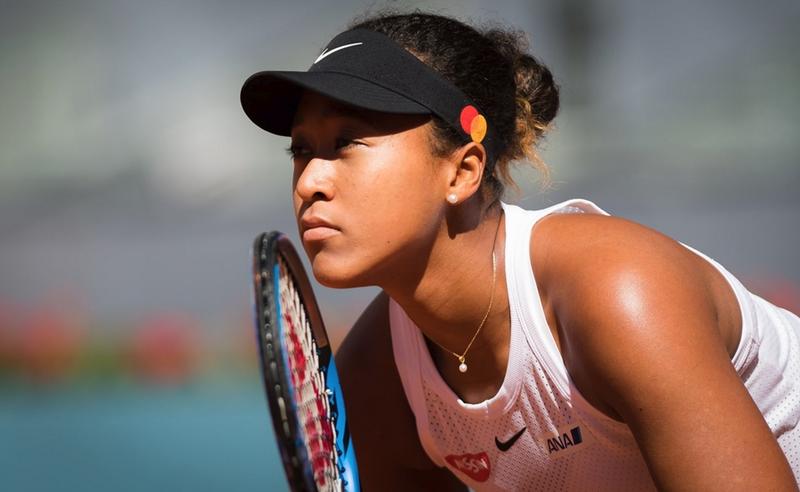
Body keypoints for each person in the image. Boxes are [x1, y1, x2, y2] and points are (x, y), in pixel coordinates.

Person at [240, 11, 800, 491]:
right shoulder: (378, 375)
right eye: (302, 150)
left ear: (461, 171)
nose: (310, 180)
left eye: (346, 143)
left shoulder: (618, 292)